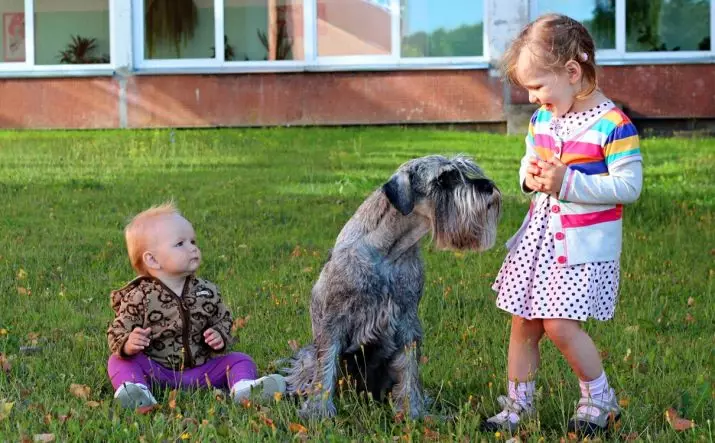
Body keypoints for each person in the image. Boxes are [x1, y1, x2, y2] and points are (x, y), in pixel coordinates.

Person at [483, 13, 643, 437]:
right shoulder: (543, 121)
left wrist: (569, 182)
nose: (533, 98)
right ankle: (518, 405)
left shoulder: (613, 125)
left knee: (558, 324)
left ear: (573, 72)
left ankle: (599, 398)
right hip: (538, 240)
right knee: (524, 321)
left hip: (581, 246)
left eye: (538, 86)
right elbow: (530, 161)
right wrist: (529, 177)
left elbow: (629, 185)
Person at [106, 202, 285, 409]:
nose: (193, 248)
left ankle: (244, 389)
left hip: (201, 371)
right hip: (157, 371)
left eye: (193, 241)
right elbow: (117, 330)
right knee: (119, 361)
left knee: (240, 360)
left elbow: (223, 319)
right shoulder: (139, 296)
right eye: (180, 244)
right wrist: (128, 343)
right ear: (153, 260)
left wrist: (219, 335)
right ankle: (136, 391)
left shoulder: (206, 291)